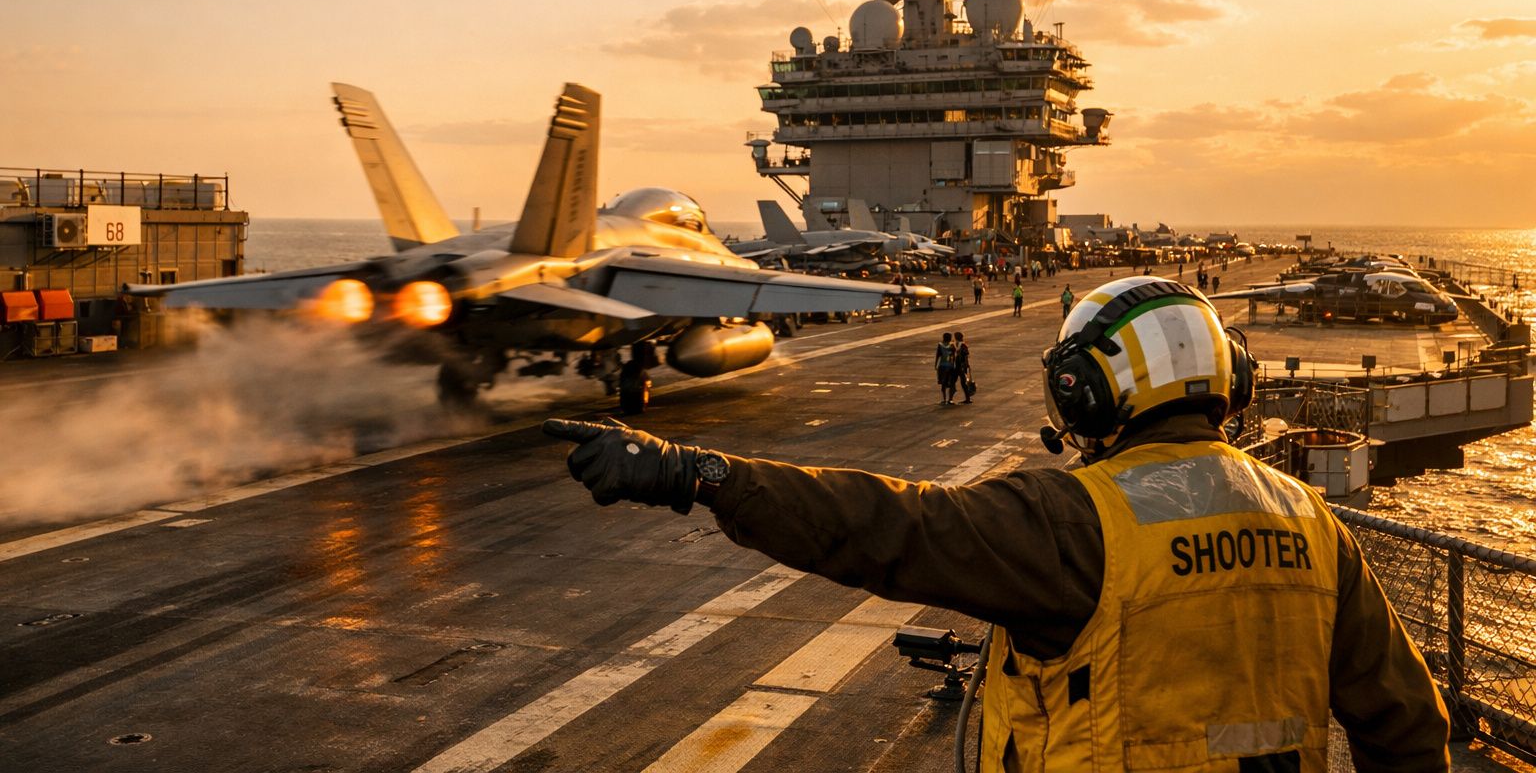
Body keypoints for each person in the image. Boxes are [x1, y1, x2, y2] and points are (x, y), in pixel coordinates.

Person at [545, 276, 1452, 772]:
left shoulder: (1074, 518)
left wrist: (694, 471)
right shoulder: (1312, 524)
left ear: (1086, 389)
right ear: (1232, 383)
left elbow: (879, 525)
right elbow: (1407, 728)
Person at [934, 331, 959, 405]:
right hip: (950, 366)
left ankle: (944, 399)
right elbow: (954, 356)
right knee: (951, 383)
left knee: (943, 383)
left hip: (942, 366)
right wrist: (954, 365)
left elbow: (938, 355)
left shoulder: (940, 345)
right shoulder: (952, 345)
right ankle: (950, 399)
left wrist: (936, 365)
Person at [954, 330, 974, 404]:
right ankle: (967, 398)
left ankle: (950, 399)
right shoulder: (962, 345)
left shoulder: (958, 345)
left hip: (958, 365)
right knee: (963, 382)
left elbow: (965, 356)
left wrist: (966, 365)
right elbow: (966, 356)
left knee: (957, 381)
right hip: (961, 365)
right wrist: (967, 365)